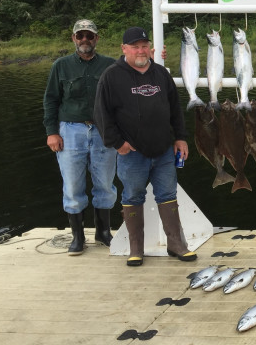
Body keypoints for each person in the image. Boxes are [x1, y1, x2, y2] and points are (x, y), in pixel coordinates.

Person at [94, 26, 196, 267]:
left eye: (144, 46)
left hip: (163, 151)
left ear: (150, 49)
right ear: (124, 49)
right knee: (132, 196)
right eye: (135, 46)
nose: (140, 51)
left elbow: (175, 109)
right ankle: (136, 248)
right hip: (132, 153)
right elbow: (101, 115)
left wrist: (180, 137)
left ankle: (177, 244)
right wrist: (117, 143)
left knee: (168, 195)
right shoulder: (111, 76)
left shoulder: (161, 74)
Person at [43, 19, 117, 255]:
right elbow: (51, 100)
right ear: (73, 38)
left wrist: (155, 55)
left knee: (104, 183)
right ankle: (78, 236)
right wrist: (51, 132)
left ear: (97, 38)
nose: (85, 40)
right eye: (80, 36)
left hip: (103, 130)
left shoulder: (110, 65)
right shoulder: (61, 65)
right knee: (73, 185)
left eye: (90, 36)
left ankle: (103, 232)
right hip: (70, 130)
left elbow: (124, 95)